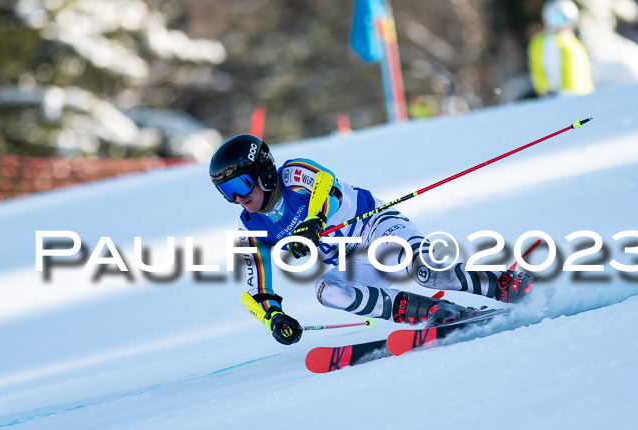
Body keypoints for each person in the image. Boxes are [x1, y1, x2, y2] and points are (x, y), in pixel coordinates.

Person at [209, 134, 535, 345]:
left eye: (240, 185)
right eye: (225, 192)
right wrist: (273, 317)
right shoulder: (251, 226)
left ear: (265, 174)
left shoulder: (293, 174)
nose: (237, 198)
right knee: (327, 291)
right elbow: (255, 291)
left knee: (428, 271)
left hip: (378, 228)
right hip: (354, 261)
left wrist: (312, 224)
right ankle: (437, 313)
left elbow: (327, 184)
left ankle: (509, 285)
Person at [528, 0, 595, 97]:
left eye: (566, 20)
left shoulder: (575, 44)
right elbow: (538, 69)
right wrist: (545, 88)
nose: (562, 25)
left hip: (580, 96)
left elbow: (583, 73)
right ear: (547, 20)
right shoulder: (544, 43)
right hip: (557, 97)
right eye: (556, 19)